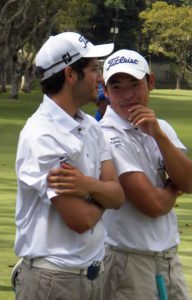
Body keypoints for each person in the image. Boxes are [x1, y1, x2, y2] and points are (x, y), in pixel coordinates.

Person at [13, 32, 124, 300]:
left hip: (90, 276)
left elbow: (118, 196)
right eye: (93, 69)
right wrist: (102, 193)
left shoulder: (91, 126)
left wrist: (87, 186)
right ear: (70, 74)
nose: (100, 79)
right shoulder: (42, 135)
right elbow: (80, 219)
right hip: (53, 282)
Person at [98, 49, 192, 300]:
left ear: (150, 82)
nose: (128, 96)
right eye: (117, 88)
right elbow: (152, 204)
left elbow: (190, 181)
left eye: (135, 84)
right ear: (106, 91)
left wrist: (158, 135)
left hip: (168, 258)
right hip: (127, 261)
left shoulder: (160, 127)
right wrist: (173, 188)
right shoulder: (105, 135)